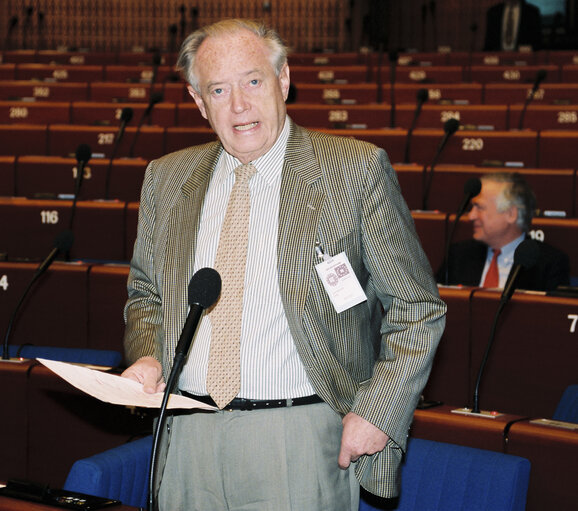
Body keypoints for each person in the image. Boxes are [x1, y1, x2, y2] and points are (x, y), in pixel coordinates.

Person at [121, 18, 446, 511]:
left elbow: (417, 308)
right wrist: (147, 356)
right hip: (184, 438)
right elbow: (146, 292)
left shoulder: (353, 171)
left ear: (284, 80)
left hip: (298, 440)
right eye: (219, 89)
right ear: (197, 101)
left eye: (253, 81)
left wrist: (378, 412)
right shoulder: (167, 178)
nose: (240, 105)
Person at [439, 172, 569, 291]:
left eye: (479, 207)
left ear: (511, 214)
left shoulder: (549, 264)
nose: (471, 216)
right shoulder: (458, 255)